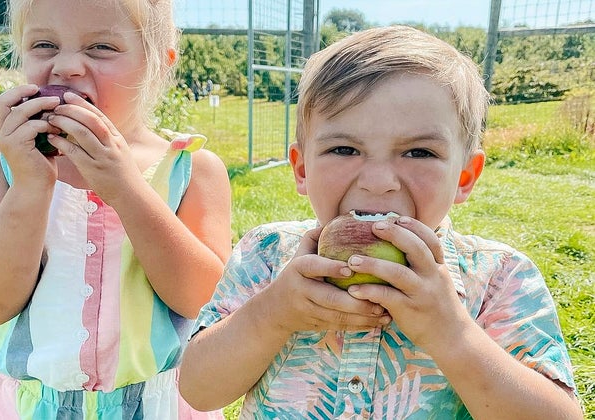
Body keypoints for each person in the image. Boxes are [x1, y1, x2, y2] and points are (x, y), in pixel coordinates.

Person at [178, 26, 583, 419]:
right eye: (343, 148)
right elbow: (199, 389)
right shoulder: (265, 257)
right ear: (302, 169)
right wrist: (273, 313)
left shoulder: (498, 279)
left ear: (465, 176)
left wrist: (452, 334)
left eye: (419, 153)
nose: (378, 182)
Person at [0, 0, 231, 418]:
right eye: (44, 44)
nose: (68, 66)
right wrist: (31, 185)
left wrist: (127, 188)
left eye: (101, 48)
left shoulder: (192, 170)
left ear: (158, 65)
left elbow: (200, 299)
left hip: (155, 406)